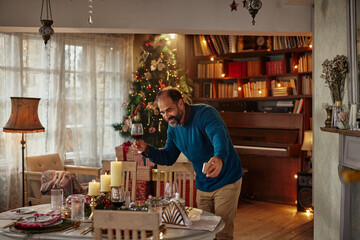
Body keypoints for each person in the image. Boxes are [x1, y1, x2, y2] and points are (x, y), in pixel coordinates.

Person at [132, 87, 243, 240]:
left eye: (169, 110)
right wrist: (147, 150)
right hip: (203, 184)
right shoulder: (173, 128)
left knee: (222, 233)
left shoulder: (205, 114)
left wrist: (219, 158)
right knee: (204, 233)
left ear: (181, 103)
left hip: (226, 179)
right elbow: (168, 157)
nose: (166, 116)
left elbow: (219, 137)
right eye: (163, 112)